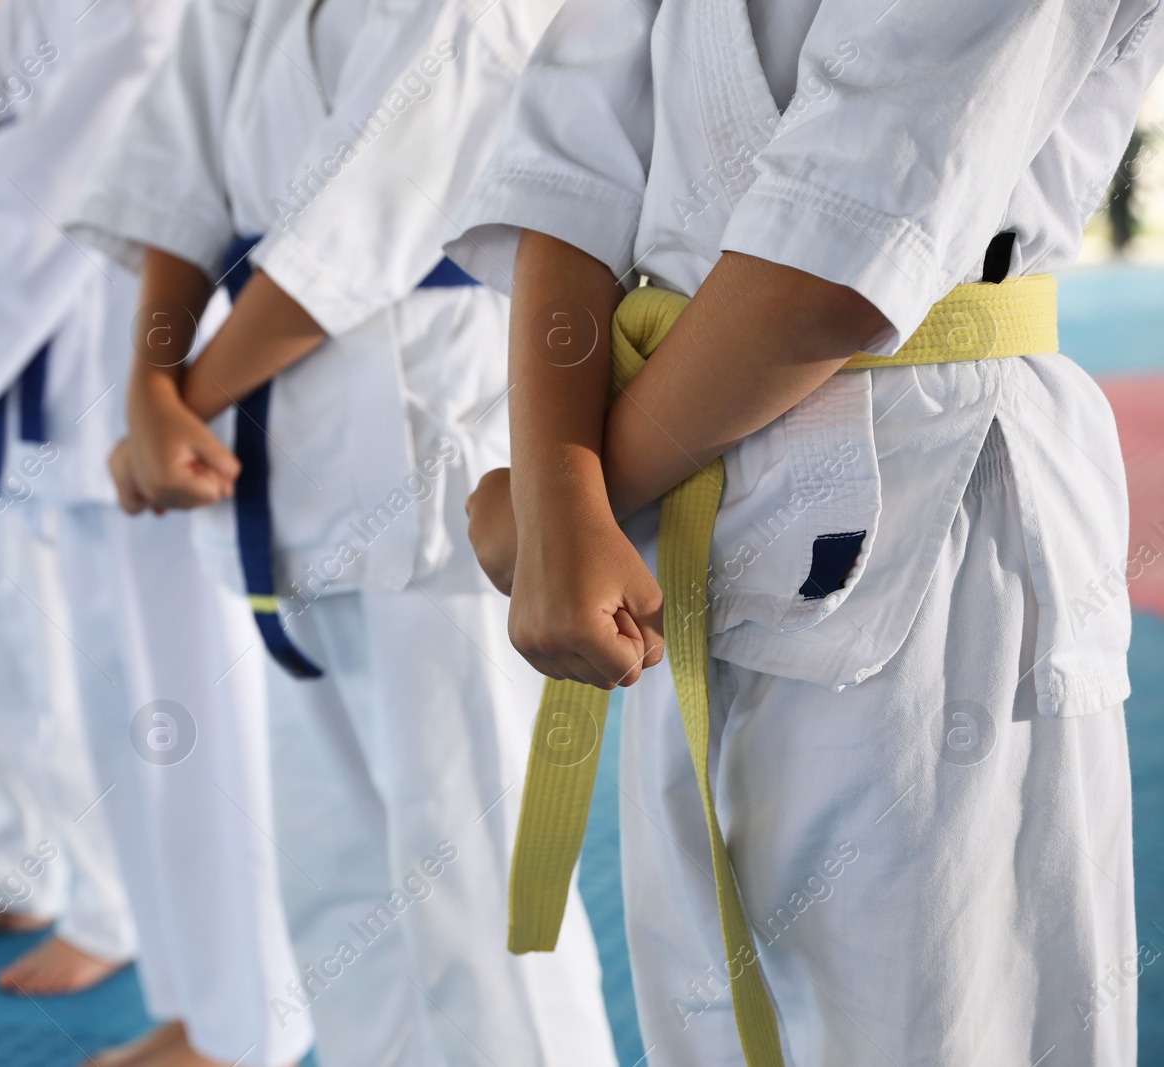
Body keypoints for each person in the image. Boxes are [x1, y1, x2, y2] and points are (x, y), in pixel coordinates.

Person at [454, 0, 1160, 1062]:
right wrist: (561, 487)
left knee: (940, 1018)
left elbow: (842, 243)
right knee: (705, 1007)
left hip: (931, 520)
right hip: (669, 512)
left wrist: (574, 499)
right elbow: (567, 156)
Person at [73, 1, 619, 1064]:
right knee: (336, 874)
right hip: (280, 467)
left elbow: (356, 233)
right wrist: (148, 384)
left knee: (475, 883)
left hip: (434, 458)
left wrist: (182, 395)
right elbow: (170, 184)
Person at [0, 0, 189, 996]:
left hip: (60, 339)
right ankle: (16, 864)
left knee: (62, 662)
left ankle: (108, 909)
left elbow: (79, 154)